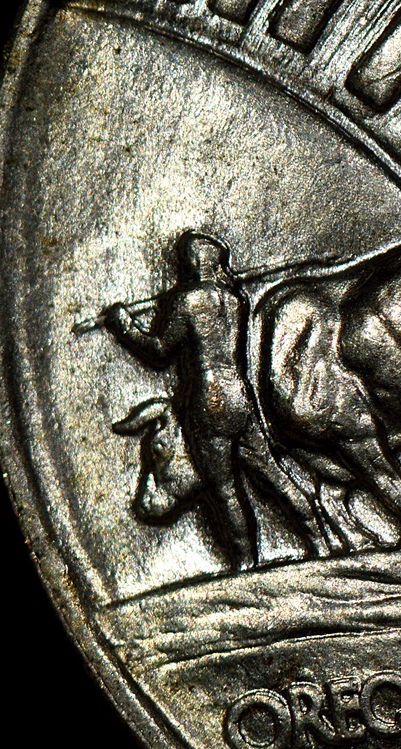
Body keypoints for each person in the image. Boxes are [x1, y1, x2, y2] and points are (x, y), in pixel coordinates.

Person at [104, 232, 327, 570]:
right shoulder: (234, 300)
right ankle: (320, 540)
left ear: (194, 263)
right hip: (240, 395)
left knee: (224, 488)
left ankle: (246, 563)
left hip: (209, 400)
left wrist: (125, 327)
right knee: (273, 474)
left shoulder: (188, 301)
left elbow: (160, 350)